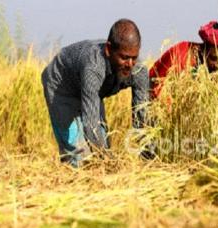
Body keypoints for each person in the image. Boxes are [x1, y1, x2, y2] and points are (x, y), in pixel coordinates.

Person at [42, 19, 149, 167]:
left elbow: (142, 116)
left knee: (103, 140)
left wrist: (147, 157)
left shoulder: (139, 71)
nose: (129, 64)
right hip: (62, 86)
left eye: (134, 57)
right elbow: (91, 122)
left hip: (90, 90)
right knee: (78, 156)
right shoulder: (93, 66)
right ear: (108, 49)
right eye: (124, 57)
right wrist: (109, 163)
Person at [149, 21, 218, 99]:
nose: (217, 65)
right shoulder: (180, 55)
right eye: (214, 58)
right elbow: (157, 90)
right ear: (203, 49)